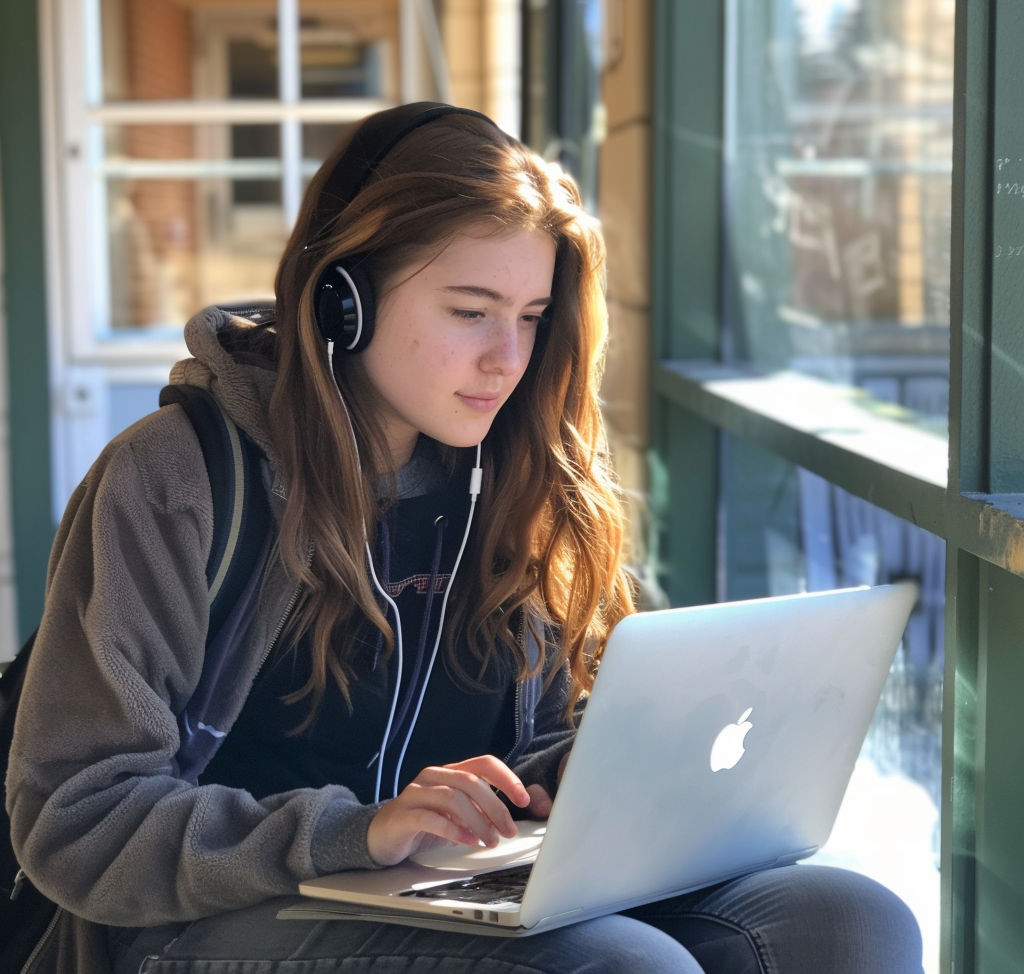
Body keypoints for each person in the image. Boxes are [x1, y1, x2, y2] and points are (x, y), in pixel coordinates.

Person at [7, 103, 924, 974]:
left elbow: (525, 745)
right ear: (344, 303)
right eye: (469, 310)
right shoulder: (179, 478)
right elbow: (78, 818)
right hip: (206, 923)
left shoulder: (511, 472)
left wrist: (582, 770)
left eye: (530, 318)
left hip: (457, 891)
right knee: (616, 965)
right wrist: (359, 831)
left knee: (847, 920)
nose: (508, 360)